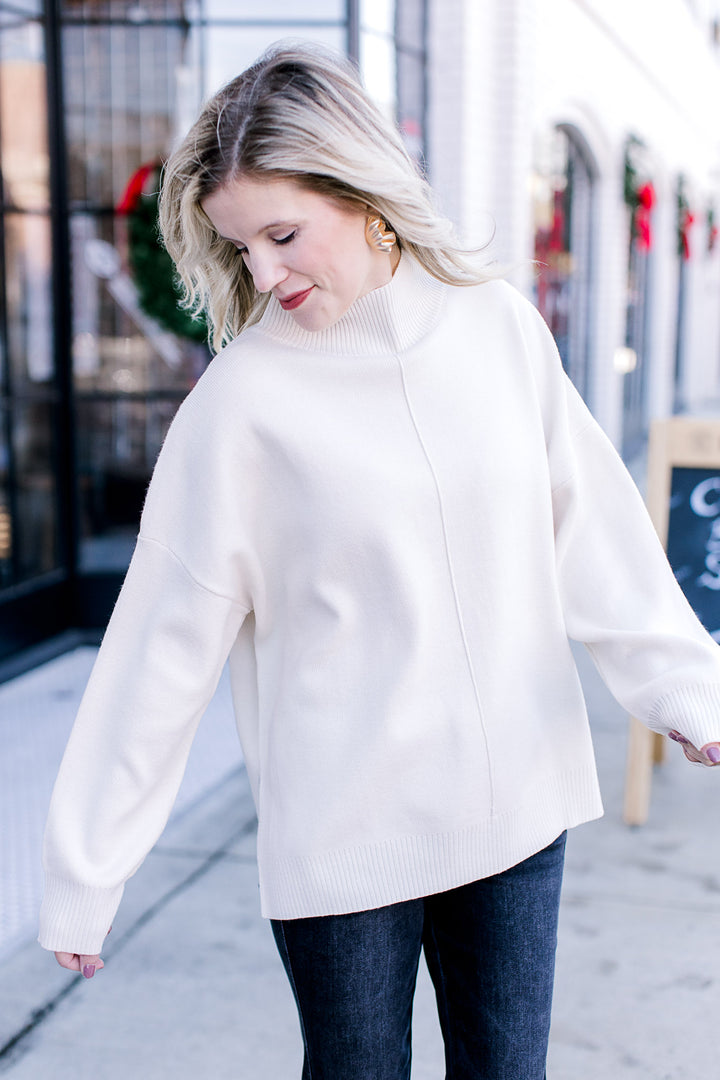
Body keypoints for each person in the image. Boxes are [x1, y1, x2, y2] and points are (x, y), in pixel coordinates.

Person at [39, 42, 720, 1080]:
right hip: (346, 835)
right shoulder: (239, 407)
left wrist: (684, 688)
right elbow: (158, 650)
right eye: (241, 248)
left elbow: (594, 524)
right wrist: (87, 868)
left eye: (281, 234)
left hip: (516, 807)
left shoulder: (496, 327)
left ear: (361, 190)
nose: (264, 275)